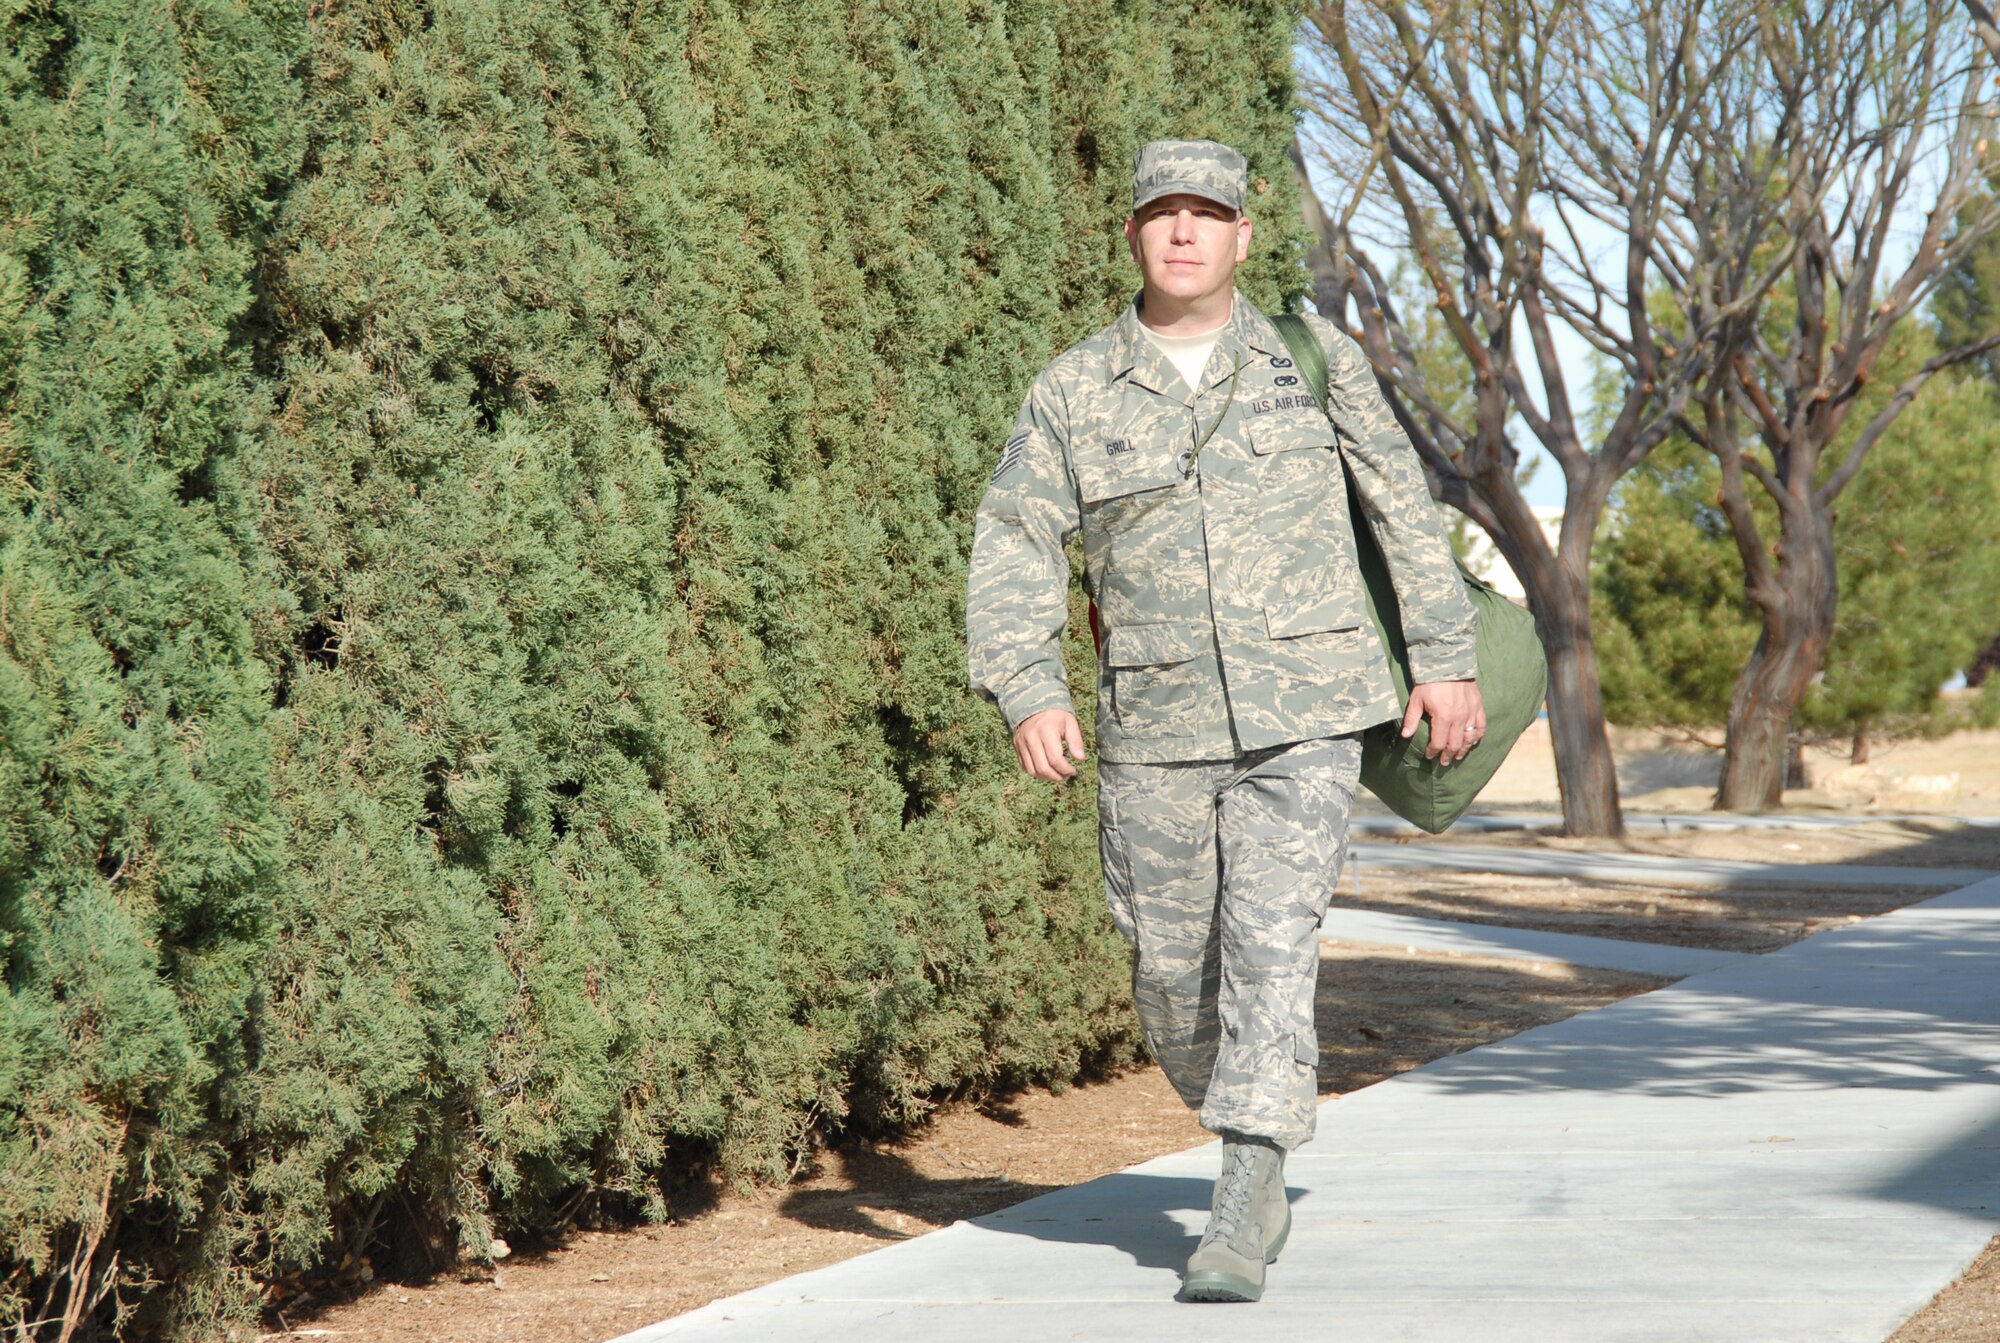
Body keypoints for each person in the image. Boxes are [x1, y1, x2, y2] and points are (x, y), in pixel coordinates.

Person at [965, 139, 1485, 1303]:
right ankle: (1244, 1112)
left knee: (1268, 948)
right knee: (1169, 975)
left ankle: (1244, 1191)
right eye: (1163, 214)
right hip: (1152, 723)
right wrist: (1029, 685)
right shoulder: (1072, 388)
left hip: (1305, 714)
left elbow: (1399, 502)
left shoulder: (1312, 359)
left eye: (1209, 213)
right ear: (1135, 236)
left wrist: (1445, 659)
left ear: (1245, 236)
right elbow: (1013, 540)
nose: (1185, 232)